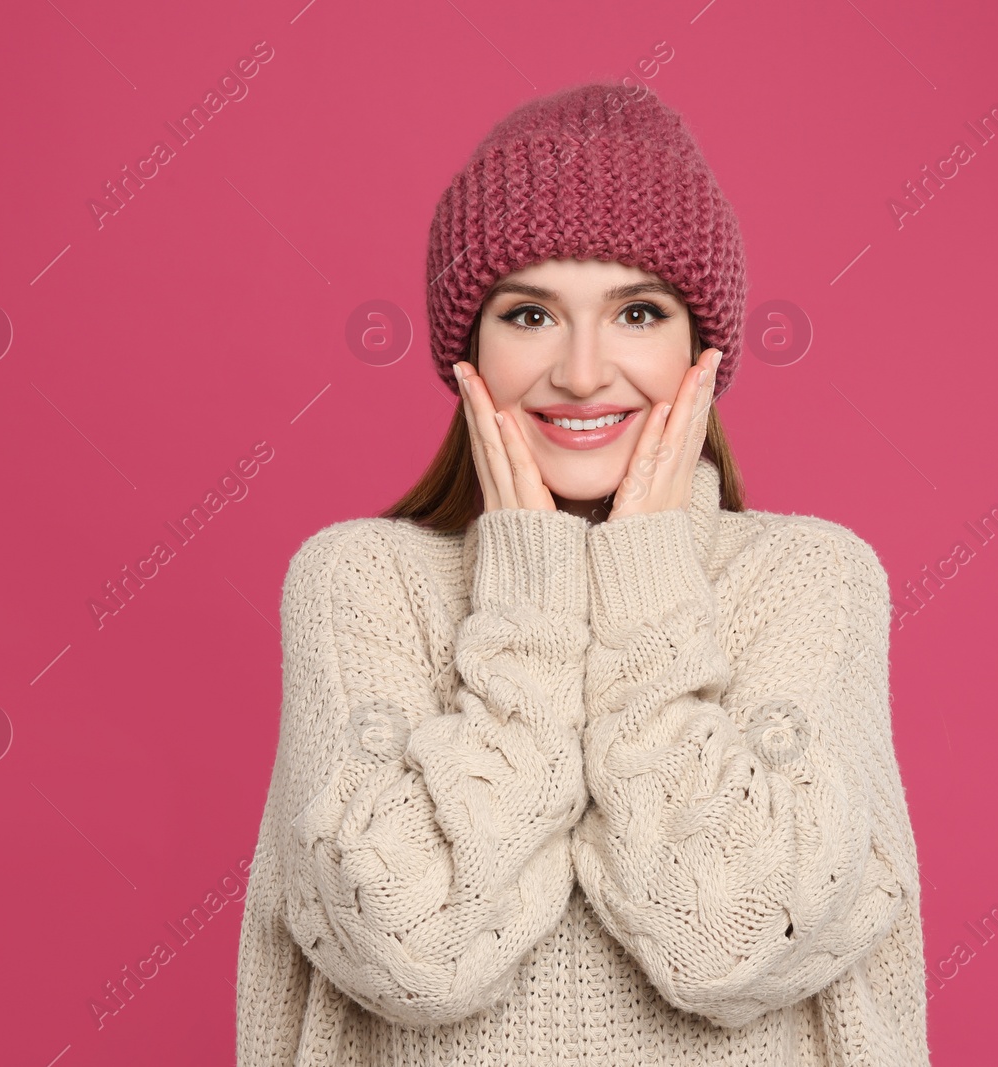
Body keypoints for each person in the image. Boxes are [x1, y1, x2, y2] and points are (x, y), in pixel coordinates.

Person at [236, 80, 930, 1066]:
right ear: (466, 344)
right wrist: (530, 603)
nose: (580, 370)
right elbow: (406, 942)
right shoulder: (361, 581)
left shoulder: (810, 580)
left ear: (702, 344)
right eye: (530, 316)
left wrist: (642, 581)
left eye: (637, 311)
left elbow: (736, 933)